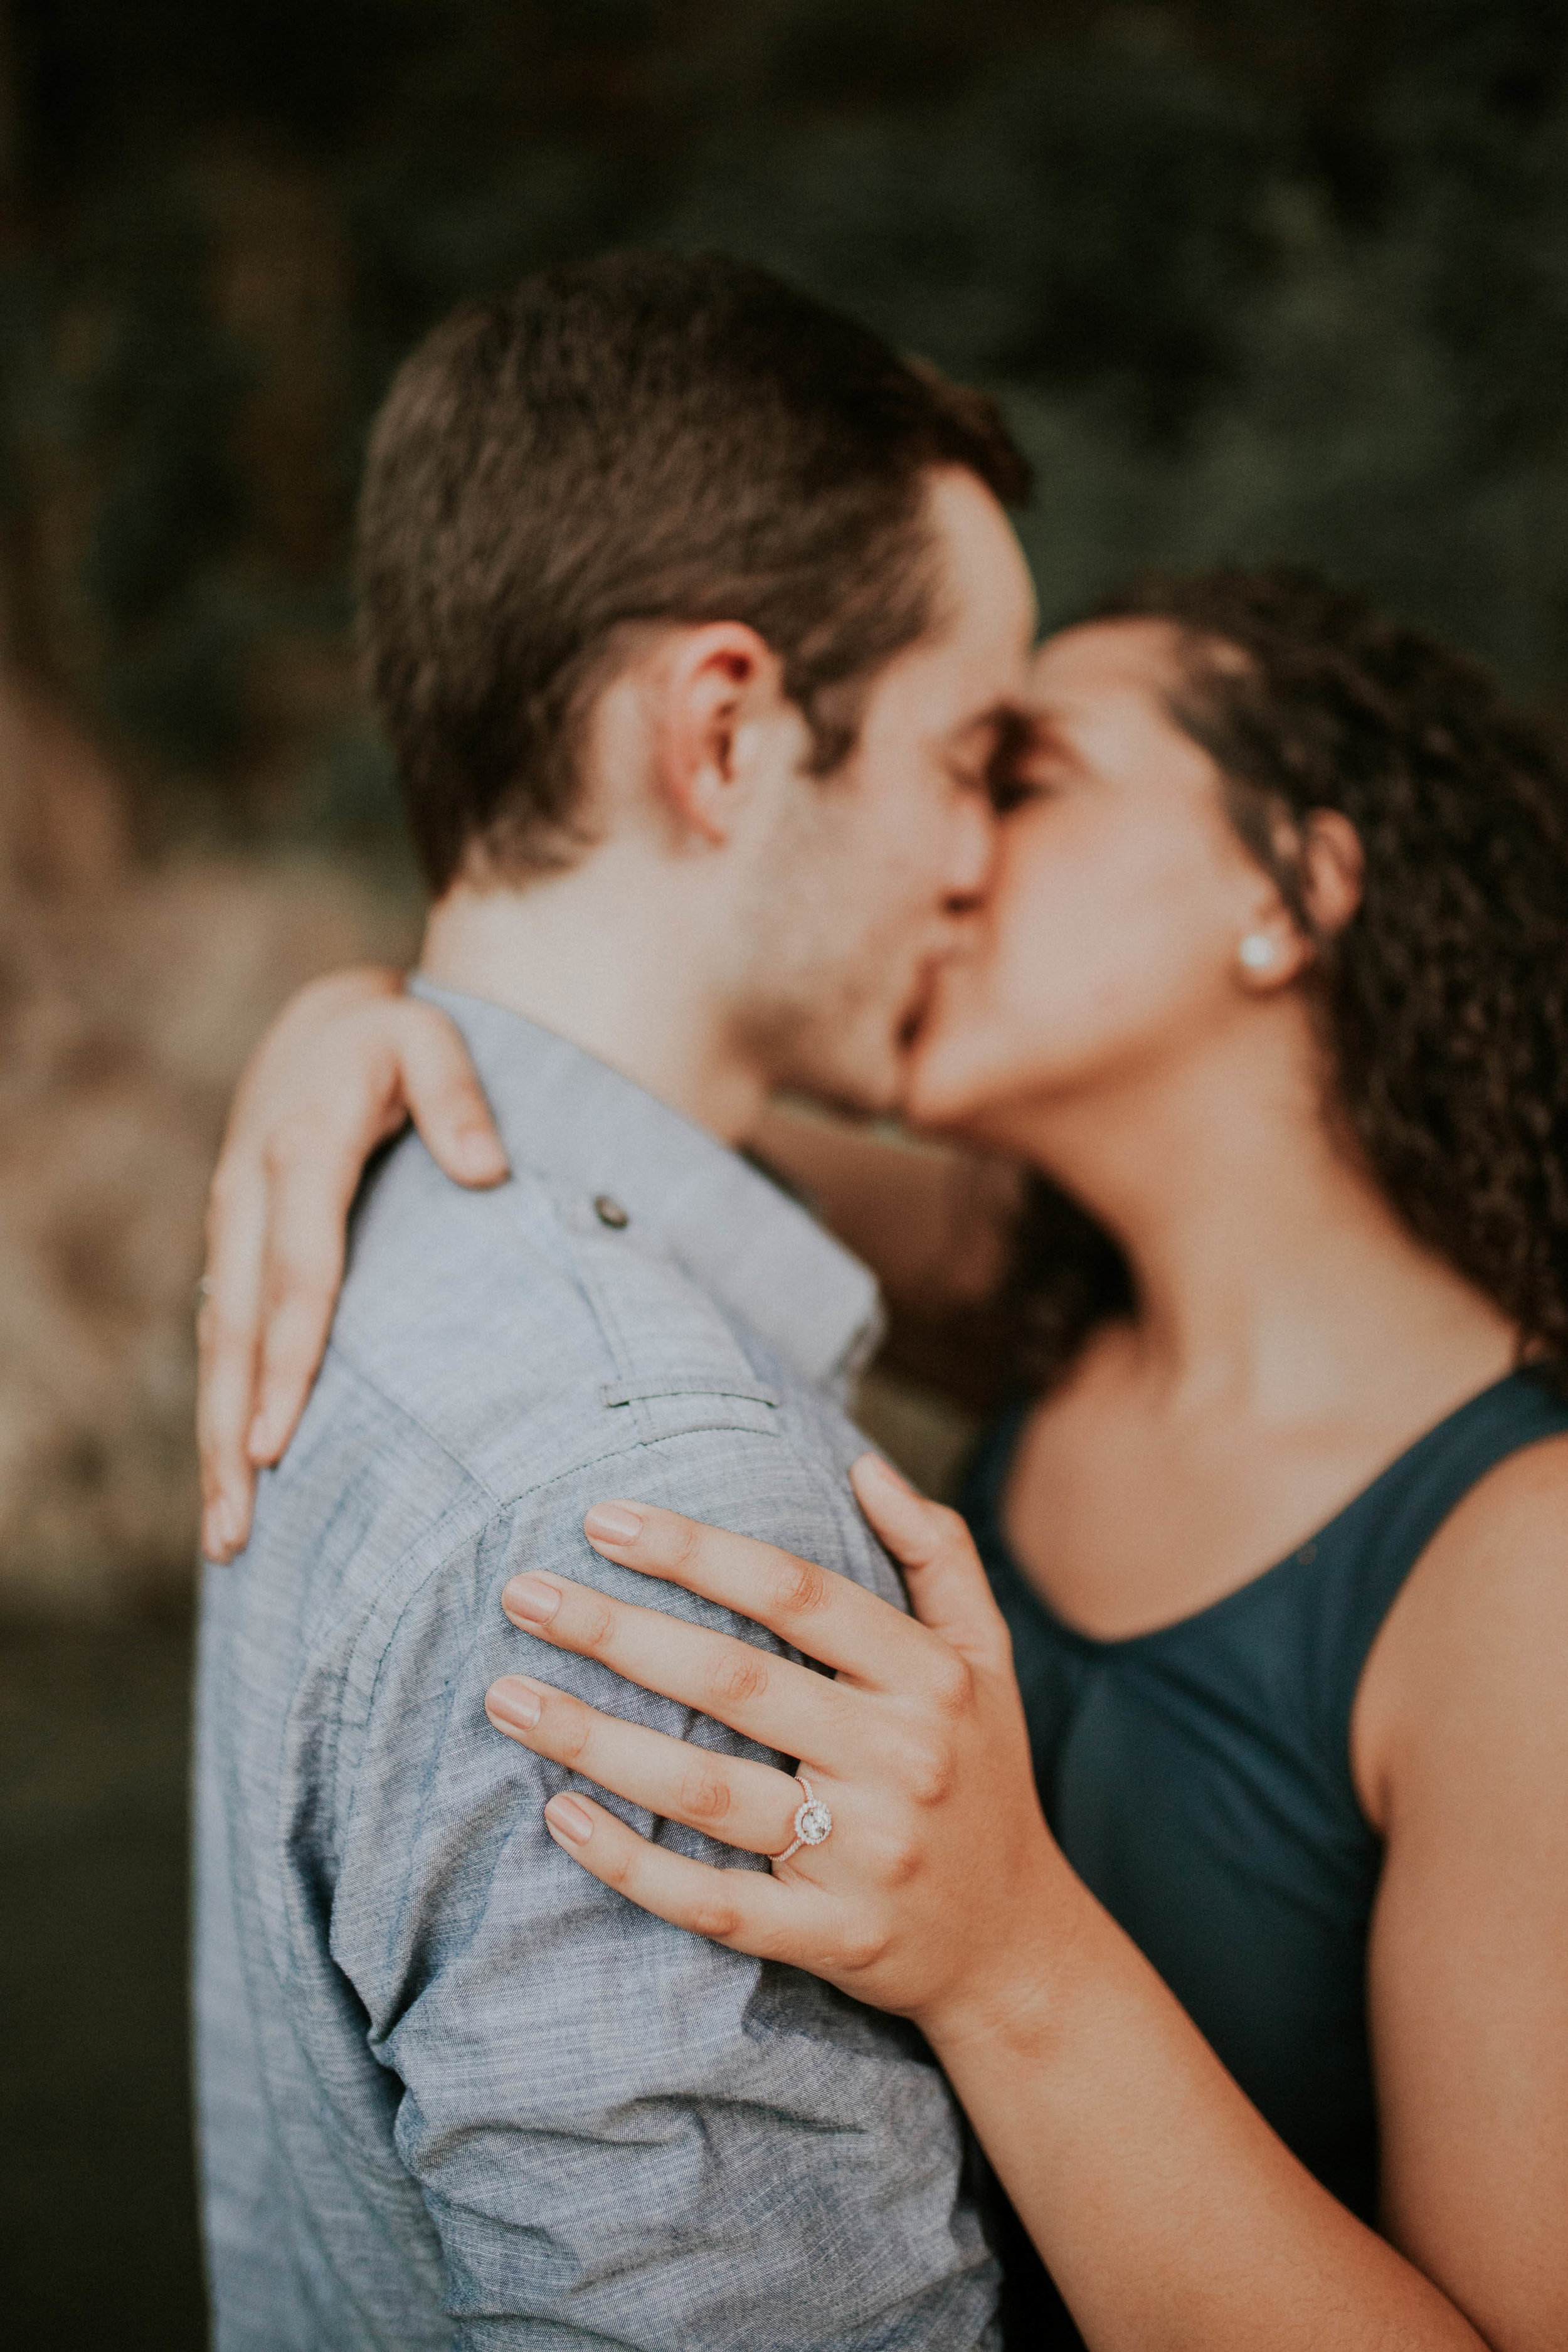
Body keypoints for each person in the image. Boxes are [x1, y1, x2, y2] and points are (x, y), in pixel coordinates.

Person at [200, 570, 1568, 2351]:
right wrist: (348, 1021)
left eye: (1022, 774)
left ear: (1289, 889)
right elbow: (572, 1077)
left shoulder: (1518, 1576)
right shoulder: (1040, 1295)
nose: (940, 844)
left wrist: (1016, 1964)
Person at [193, 246, 1041, 2351]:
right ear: (728, 730)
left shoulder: (364, 1227)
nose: (978, 859)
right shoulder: (655, 1498)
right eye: (965, 756)